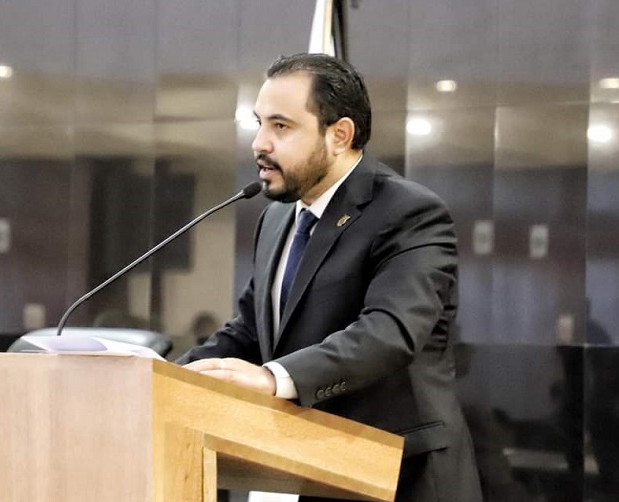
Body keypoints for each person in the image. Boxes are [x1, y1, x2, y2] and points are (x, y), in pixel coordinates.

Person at [177, 52, 481, 502]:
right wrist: (166, 378)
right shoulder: (277, 219)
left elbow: (389, 332)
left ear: (339, 135)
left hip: (404, 478)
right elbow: (250, 332)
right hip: (313, 470)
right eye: (259, 123)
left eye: (281, 126)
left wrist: (273, 378)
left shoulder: (409, 212)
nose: (259, 143)